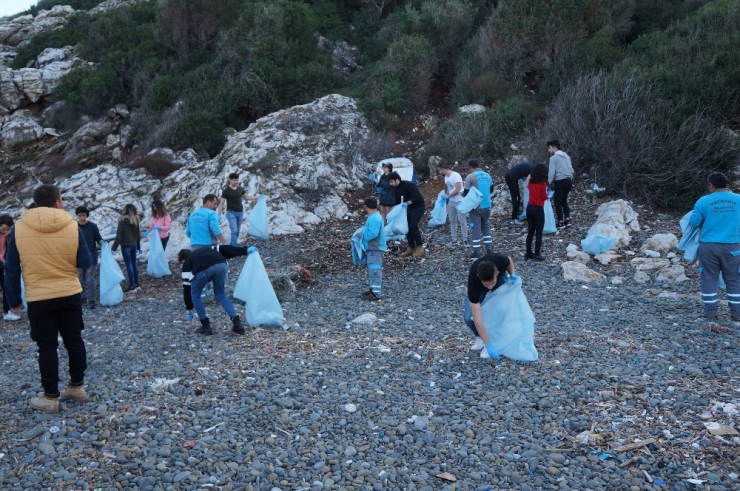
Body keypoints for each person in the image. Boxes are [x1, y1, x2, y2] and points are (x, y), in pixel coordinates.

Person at [4, 184, 91, 413]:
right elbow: (85, 261)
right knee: (74, 340)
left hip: (39, 297)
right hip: (70, 293)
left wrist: (13, 300)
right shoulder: (73, 226)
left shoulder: (18, 229)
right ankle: (76, 387)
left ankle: (51, 397)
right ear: (57, 202)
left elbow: (11, 269)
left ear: (34, 203)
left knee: (47, 347)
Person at [688, 172, 740, 321]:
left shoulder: (703, 201)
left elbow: (694, 223)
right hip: (733, 247)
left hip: (709, 247)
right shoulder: (738, 200)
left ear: (711, 185)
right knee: (734, 279)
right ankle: (737, 313)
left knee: (709, 277)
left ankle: (711, 313)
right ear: (727, 184)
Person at [178, 245, 248, 335]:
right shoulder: (206, 249)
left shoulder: (187, 264)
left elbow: (187, 289)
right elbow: (225, 249)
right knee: (220, 294)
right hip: (222, 265)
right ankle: (238, 325)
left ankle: (205, 326)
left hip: (203, 269)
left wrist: (189, 308)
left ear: (183, 260)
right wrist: (244, 250)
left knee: (195, 295)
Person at [464, 252, 516, 359]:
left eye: (491, 283)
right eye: (486, 284)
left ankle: (498, 341)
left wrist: (512, 274)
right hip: (479, 287)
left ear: (497, 273)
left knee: (502, 311)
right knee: (468, 318)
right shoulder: (474, 282)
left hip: (500, 280)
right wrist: (488, 345)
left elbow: (509, 260)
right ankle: (481, 339)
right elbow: (477, 318)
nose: (489, 287)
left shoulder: (500, 260)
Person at [388, 171, 426, 258]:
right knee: (407, 227)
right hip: (407, 209)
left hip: (418, 207)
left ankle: (420, 247)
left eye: (391, 182)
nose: (391, 184)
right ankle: (411, 247)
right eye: (390, 182)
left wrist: (407, 203)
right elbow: (397, 201)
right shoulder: (395, 188)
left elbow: (417, 197)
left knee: (413, 226)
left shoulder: (409, 185)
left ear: (397, 180)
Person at [217, 173, 260, 246]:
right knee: (234, 230)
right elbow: (221, 203)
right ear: (229, 180)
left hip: (240, 212)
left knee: (237, 231)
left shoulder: (240, 189)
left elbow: (247, 197)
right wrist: (219, 215)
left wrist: (257, 197)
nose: (236, 182)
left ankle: (233, 243)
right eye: (234, 180)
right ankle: (234, 245)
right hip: (231, 212)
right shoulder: (226, 190)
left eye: (237, 180)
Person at [357, 197, 387, 301]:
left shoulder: (374, 218)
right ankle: (374, 289)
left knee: (375, 269)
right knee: (373, 268)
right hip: (374, 248)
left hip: (375, 248)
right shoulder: (375, 216)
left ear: (366, 206)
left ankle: (376, 293)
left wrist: (362, 234)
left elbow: (373, 234)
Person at [463, 160, 494, 258]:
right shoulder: (488, 175)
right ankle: (489, 248)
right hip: (487, 205)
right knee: (485, 226)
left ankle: (476, 251)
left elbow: (466, 192)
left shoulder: (470, 176)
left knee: (475, 228)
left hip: (476, 206)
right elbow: (491, 189)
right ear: (479, 165)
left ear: (470, 167)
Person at [75, 206, 103, 308]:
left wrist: (103, 243)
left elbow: (98, 238)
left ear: (86, 215)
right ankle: (82, 298)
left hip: (91, 255)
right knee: (80, 279)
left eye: (83, 215)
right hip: (78, 257)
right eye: (80, 215)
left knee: (89, 279)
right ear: (77, 216)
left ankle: (92, 299)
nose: (82, 217)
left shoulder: (93, 226)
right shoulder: (73, 227)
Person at [111, 204, 142, 292]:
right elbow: (138, 235)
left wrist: (113, 248)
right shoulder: (135, 219)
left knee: (129, 265)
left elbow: (119, 236)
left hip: (125, 246)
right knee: (134, 264)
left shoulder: (122, 220)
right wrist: (138, 247)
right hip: (134, 245)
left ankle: (131, 285)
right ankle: (136, 283)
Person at [438, 163, 468, 248]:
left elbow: (458, 188)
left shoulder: (456, 175)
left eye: (440, 170)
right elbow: (449, 188)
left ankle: (465, 240)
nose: (440, 172)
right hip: (451, 202)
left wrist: (449, 195)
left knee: (462, 221)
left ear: (443, 169)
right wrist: (446, 196)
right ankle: (454, 239)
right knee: (452, 221)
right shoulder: (446, 177)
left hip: (459, 201)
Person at [547, 140, 574, 229]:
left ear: (554, 147)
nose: (549, 150)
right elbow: (571, 170)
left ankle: (560, 222)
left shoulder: (553, 158)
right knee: (564, 200)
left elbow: (551, 173)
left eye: (549, 148)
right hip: (568, 181)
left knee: (557, 202)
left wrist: (547, 183)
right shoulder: (567, 156)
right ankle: (567, 219)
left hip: (560, 181)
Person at [525, 164, 548, 261]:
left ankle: (528, 253)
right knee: (539, 233)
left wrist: (530, 175)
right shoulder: (543, 184)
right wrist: (549, 196)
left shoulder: (531, 183)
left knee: (530, 231)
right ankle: (537, 253)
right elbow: (543, 197)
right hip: (538, 208)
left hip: (529, 207)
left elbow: (527, 184)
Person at [0, 214, 19, 321]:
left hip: (4, 263)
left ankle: (7, 312)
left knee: (6, 287)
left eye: (6, 230)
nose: (4, 232)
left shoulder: (9, 235)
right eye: (3, 229)